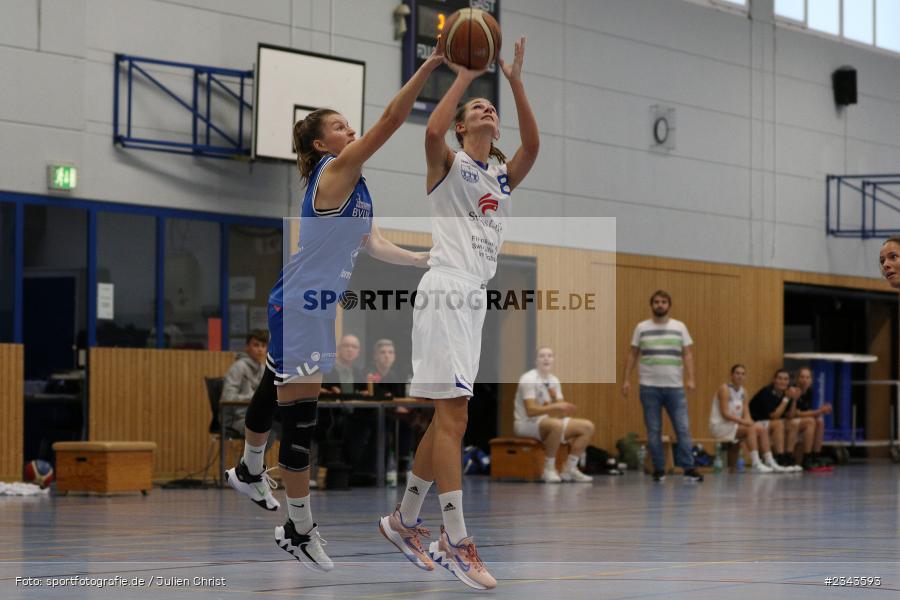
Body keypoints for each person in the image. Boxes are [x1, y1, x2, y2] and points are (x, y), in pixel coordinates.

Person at [223, 47, 443, 573]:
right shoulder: (336, 169)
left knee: (280, 395)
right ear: (323, 143)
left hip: (312, 306)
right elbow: (392, 120)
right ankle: (298, 527)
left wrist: (424, 259)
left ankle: (252, 470)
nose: (352, 129)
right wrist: (431, 66)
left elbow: (372, 243)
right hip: (301, 305)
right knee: (301, 421)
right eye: (342, 125)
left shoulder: (357, 186)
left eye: (350, 125)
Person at [379, 37, 539, 591]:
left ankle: (404, 520)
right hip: (446, 288)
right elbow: (428, 131)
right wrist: (467, 78)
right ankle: (454, 537)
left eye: (491, 109)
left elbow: (533, 148)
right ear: (464, 127)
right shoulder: (447, 163)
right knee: (455, 420)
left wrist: (513, 82)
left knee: (448, 419)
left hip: (474, 298)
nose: (486, 111)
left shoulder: (499, 177)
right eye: (478, 110)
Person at [621, 290, 704, 483]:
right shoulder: (641, 327)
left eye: (664, 302)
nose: (660, 305)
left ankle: (688, 467)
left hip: (675, 387)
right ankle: (659, 469)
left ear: (669, 305)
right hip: (649, 387)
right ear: (652, 305)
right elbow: (633, 354)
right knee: (653, 430)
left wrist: (691, 378)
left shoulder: (679, 327)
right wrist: (626, 380)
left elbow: (687, 354)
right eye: (657, 302)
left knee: (683, 429)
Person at [513, 347, 595, 483]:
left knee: (587, 426)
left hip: (546, 421)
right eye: (542, 356)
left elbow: (560, 411)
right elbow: (531, 411)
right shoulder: (529, 378)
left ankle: (569, 469)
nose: (546, 358)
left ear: (554, 360)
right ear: (535, 360)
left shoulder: (554, 380)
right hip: (526, 423)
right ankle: (549, 469)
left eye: (550, 356)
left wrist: (560, 405)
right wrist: (555, 406)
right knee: (556, 425)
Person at [708, 364, 786, 473]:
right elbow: (725, 413)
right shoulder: (724, 389)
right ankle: (756, 462)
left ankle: (770, 460)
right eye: (737, 373)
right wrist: (746, 423)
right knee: (751, 429)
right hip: (720, 426)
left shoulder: (744, 391)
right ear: (731, 375)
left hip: (734, 426)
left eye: (743, 374)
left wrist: (750, 423)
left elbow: (747, 414)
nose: (740, 376)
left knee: (761, 428)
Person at [748, 369, 803, 472]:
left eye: (786, 379)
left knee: (793, 423)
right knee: (779, 423)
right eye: (780, 378)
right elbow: (774, 416)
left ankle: (788, 457)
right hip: (755, 422)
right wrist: (786, 398)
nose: (783, 381)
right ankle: (780, 458)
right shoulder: (767, 392)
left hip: (768, 423)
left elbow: (790, 415)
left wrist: (794, 399)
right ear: (774, 380)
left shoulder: (785, 393)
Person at [221, 330, 269, 436]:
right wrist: (252, 397)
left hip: (256, 416)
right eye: (256, 345)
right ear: (247, 347)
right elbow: (227, 397)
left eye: (263, 345)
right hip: (236, 420)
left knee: (283, 425)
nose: (260, 349)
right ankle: (250, 453)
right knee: (268, 428)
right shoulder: (238, 368)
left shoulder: (263, 369)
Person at [792, 366, 834, 470]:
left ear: (811, 380)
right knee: (811, 421)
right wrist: (820, 410)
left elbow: (808, 412)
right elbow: (796, 414)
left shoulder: (810, 392)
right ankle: (807, 458)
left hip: (800, 421)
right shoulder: (794, 391)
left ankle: (815, 456)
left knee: (819, 421)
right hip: (789, 420)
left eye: (807, 377)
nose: (804, 380)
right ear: (797, 379)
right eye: (802, 377)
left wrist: (824, 410)